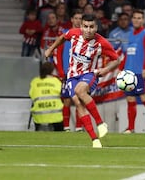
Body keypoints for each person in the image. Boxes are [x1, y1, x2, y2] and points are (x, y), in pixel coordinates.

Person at [44, 14, 120, 148]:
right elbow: (62, 37)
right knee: (78, 104)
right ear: (81, 26)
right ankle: (95, 140)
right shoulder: (73, 34)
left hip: (89, 74)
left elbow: (117, 60)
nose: (88, 30)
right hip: (72, 75)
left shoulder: (101, 42)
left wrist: (106, 70)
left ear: (96, 27)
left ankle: (100, 124)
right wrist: (51, 49)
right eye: (85, 26)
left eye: (91, 27)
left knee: (80, 91)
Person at [29, 62, 64, 131]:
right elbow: (62, 94)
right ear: (52, 71)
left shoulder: (35, 81)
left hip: (39, 115)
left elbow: (32, 95)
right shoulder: (56, 81)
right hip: (55, 115)